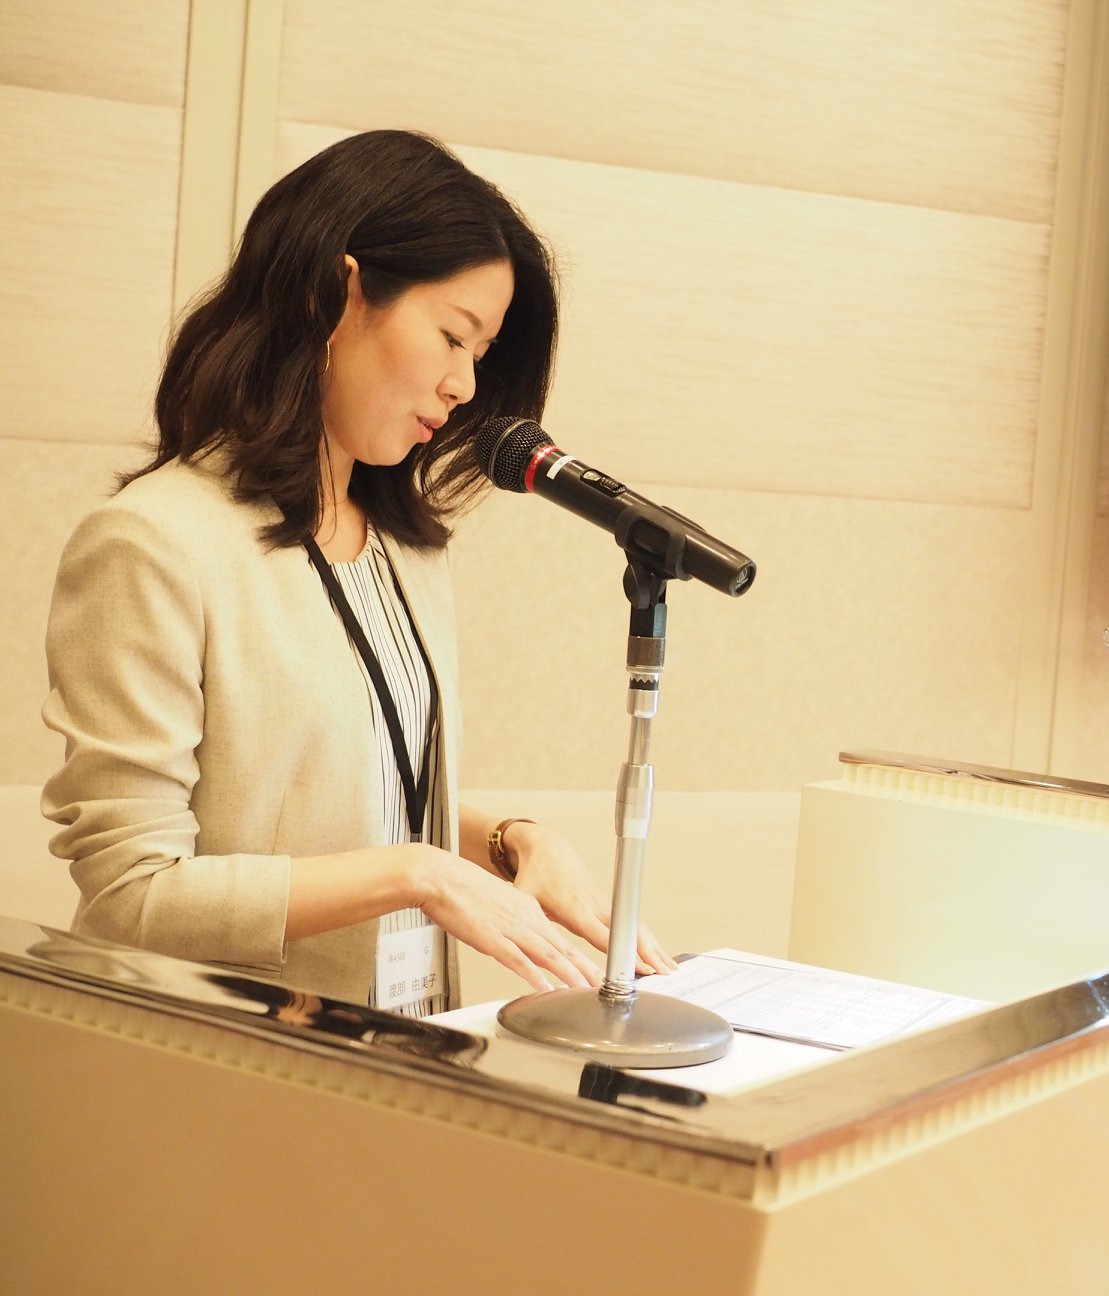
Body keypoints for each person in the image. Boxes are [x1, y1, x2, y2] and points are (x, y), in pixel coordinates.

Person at [41, 129, 674, 1017]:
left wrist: (506, 843)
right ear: (335, 294)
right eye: (453, 337)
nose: (464, 386)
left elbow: (353, 800)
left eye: (481, 355)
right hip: (236, 1063)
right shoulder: (153, 543)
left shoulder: (408, 549)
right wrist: (417, 875)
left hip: (401, 1045)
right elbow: (132, 892)